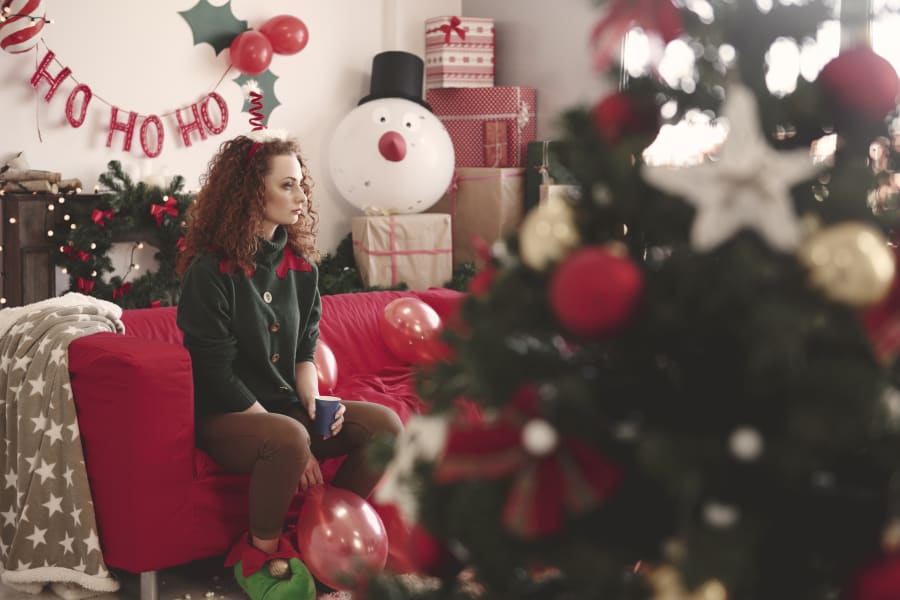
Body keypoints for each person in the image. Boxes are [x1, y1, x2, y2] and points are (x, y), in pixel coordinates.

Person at [175, 131, 404, 600]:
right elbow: (214, 373)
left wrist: (315, 401)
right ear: (250, 192)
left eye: (301, 184)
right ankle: (262, 556)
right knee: (289, 437)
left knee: (386, 425)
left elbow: (304, 353)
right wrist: (295, 439)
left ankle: (324, 538)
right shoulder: (209, 272)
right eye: (287, 185)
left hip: (283, 413)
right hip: (227, 416)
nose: (301, 195)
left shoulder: (301, 267)